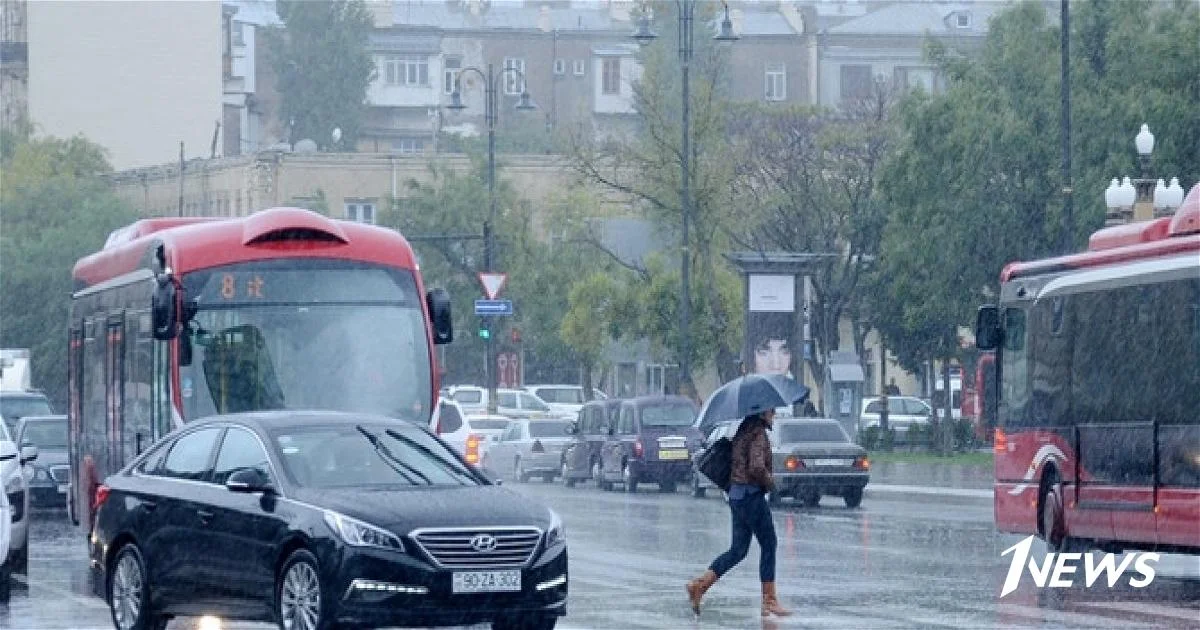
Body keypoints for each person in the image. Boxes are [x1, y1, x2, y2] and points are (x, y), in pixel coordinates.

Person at [686, 408, 792, 618]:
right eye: (771, 410)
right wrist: (771, 485)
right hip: (751, 495)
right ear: (763, 413)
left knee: (738, 550)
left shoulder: (743, 429)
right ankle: (769, 600)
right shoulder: (758, 433)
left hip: (736, 495)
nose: (774, 414)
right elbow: (756, 467)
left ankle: (700, 585)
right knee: (769, 543)